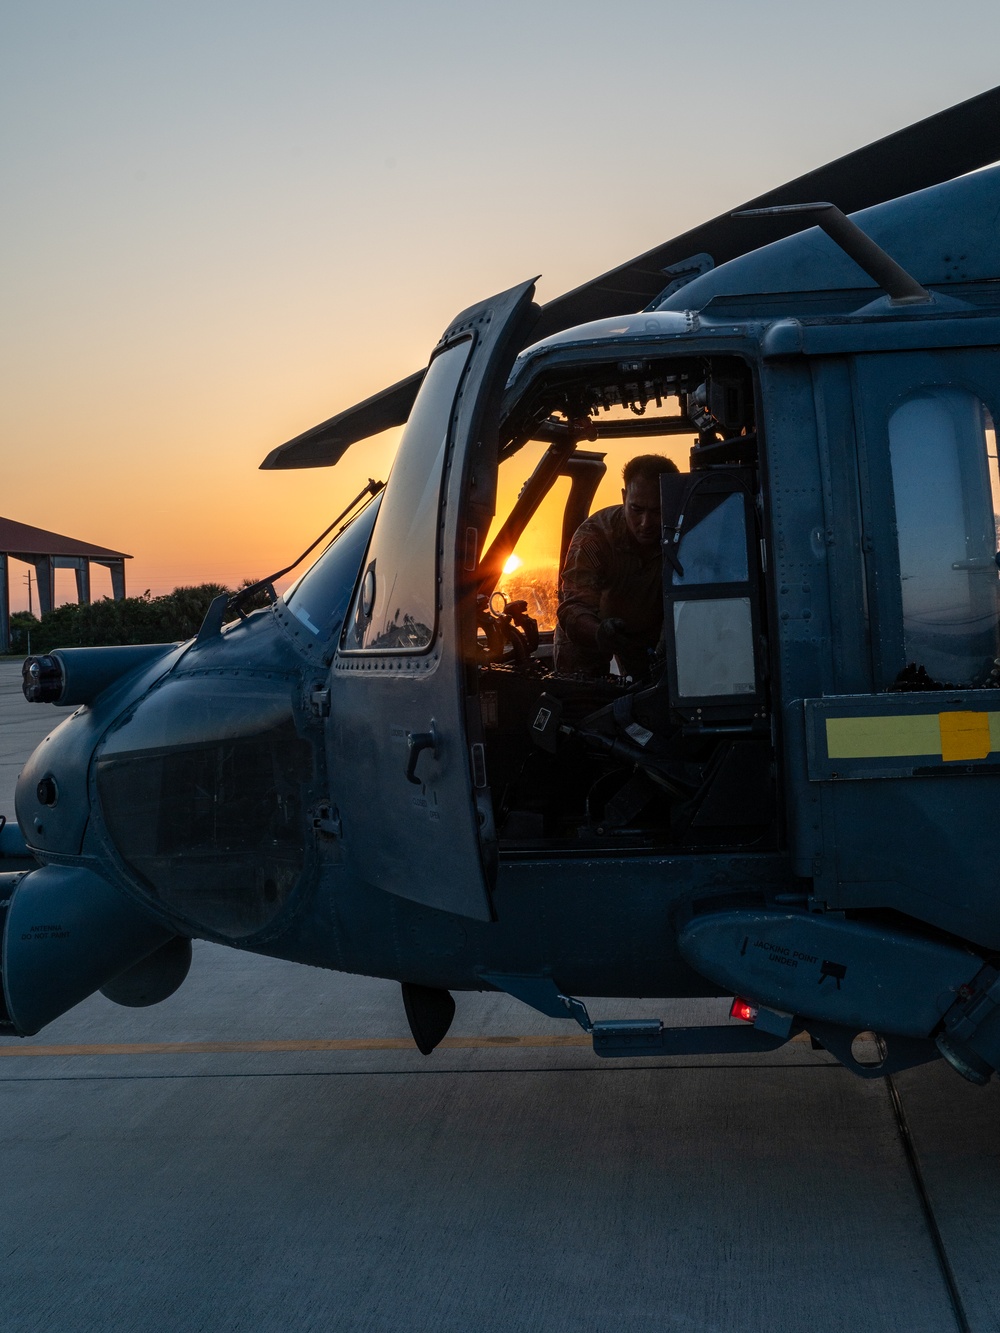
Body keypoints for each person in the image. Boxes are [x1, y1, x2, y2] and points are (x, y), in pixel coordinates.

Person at [553, 453, 679, 679]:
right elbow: (574, 608)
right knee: (579, 700)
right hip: (590, 631)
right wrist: (600, 633)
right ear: (624, 497)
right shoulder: (594, 539)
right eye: (637, 509)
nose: (646, 523)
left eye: (657, 511)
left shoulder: (686, 536)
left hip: (649, 634)